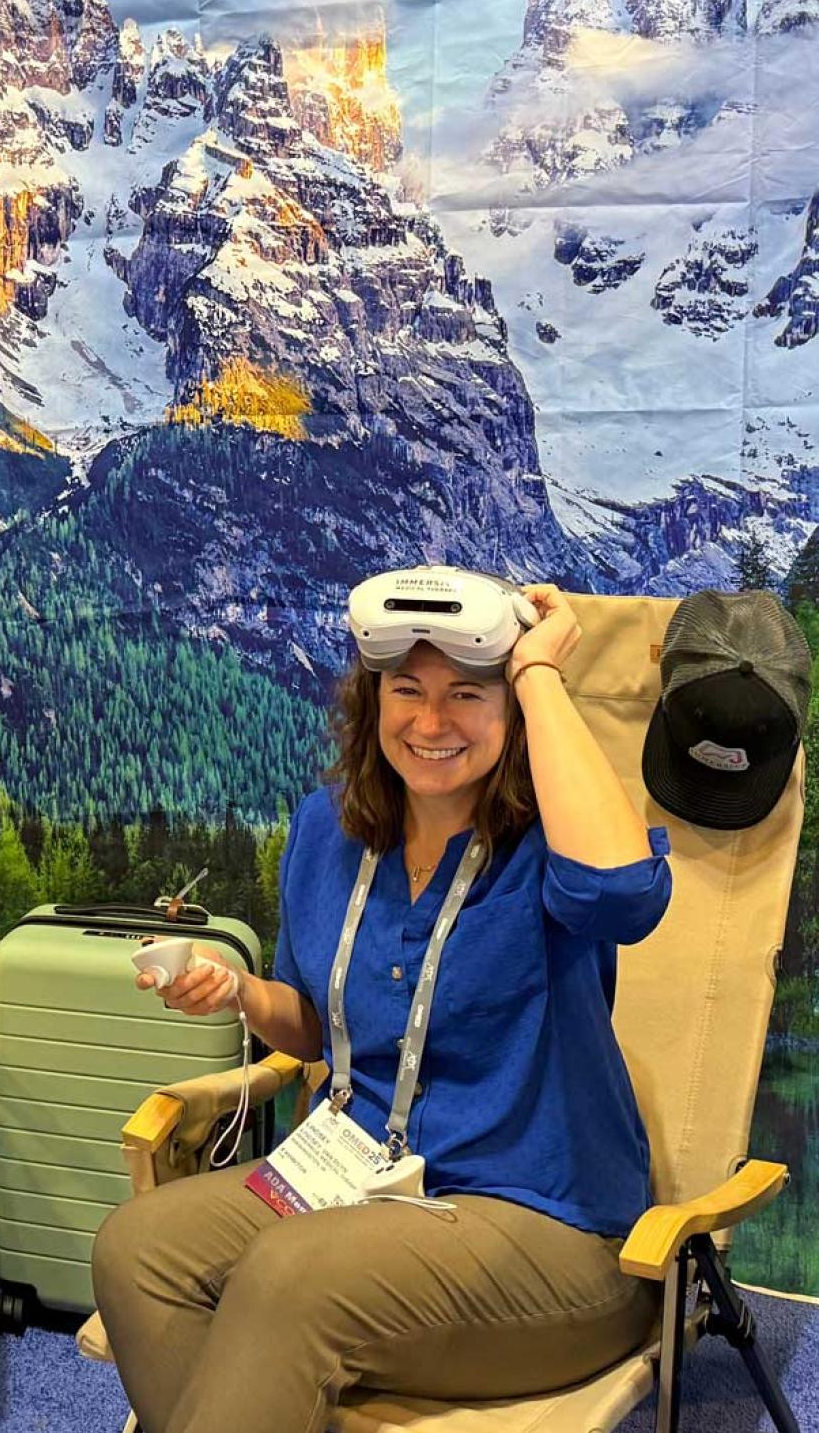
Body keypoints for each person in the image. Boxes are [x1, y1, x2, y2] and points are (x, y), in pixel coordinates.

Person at [90, 581, 672, 1433]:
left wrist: (541, 672)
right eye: (409, 692)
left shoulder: (557, 833)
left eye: (467, 695)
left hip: (545, 1223)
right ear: (373, 702)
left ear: (510, 708)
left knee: (293, 1278)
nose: (432, 725)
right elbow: (315, 1022)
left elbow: (623, 898)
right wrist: (244, 993)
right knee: (138, 1250)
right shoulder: (327, 829)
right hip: (356, 1185)